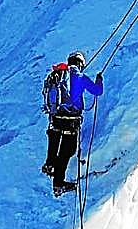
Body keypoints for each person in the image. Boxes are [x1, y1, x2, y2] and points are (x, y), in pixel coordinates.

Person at [41, 50, 104, 197]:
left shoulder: (57, 76)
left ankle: (50, 163)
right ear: (81, 64)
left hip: (55, 117)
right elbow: (97, 91)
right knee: (67, 151)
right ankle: (58, 184)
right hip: (71, 120)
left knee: (55, 142)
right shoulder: (80, 77)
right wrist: (99, 80)